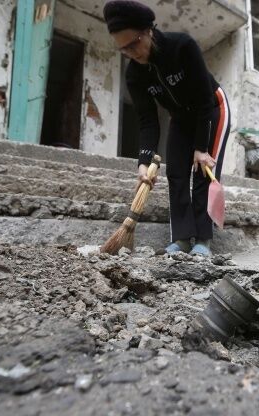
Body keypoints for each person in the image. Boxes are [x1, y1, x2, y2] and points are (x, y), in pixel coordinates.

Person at [104, 1, 231, 256]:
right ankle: (182, 238)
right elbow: (148, 120)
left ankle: (203, 240)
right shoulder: (134, 75)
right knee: (175, 173)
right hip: (180, 117)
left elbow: (205, 100)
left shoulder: (182, 47)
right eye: (124, 49)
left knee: (202, 171)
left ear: (148, 30)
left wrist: (201, 148)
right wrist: (144, 161)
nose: (132, 52)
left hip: (212, 108)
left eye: (134, 43)